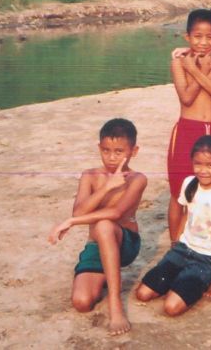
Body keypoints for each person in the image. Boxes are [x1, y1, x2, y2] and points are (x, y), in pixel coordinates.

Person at [47, 118, 148, 336]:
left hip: (125, 244)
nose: (112, 157)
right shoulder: (90, 176)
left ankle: (115, 305)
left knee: (103, 225)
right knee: (81, 302)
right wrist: (107, 186)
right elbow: (79, 212)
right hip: (96, 245)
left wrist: (72, 223)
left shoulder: (138, 179)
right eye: (106, 150)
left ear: (134, 151)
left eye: (119, 151)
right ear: (99, 148)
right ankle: (104, 276)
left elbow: (116, 213)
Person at [136, 135, 211, 315]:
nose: (203, 170)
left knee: (171, 307)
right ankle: (181, 280)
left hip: (207, 260)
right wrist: (174, 245)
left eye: (210, 165)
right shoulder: (188, 183)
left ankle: (207, 278)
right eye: (198, 164)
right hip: (182, 251)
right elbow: (186, 216)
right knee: (142, 294)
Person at [167, 9, 211, 243]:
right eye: (197, 37)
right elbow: (186, 98)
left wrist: (196, 71)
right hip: (187, 130)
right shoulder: (178, 63)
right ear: (187, 37)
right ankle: (175, 244)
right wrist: (197, 69)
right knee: (178, 191)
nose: (203, 42)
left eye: (209, 37)